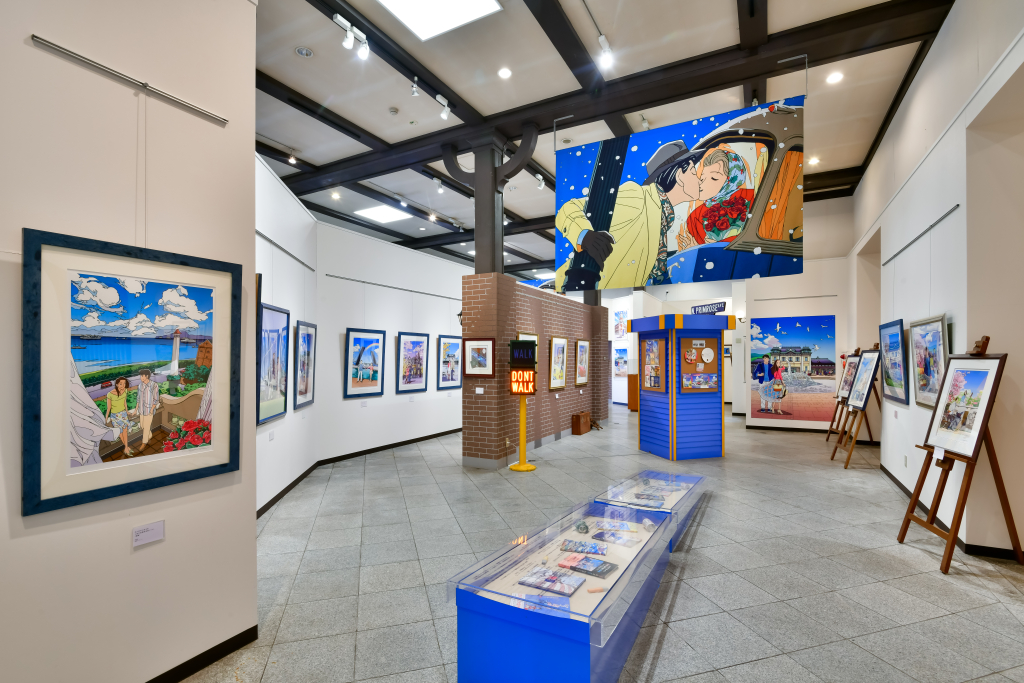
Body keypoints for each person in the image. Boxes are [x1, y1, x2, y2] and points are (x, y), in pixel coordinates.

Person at [555, 141, 707, 289]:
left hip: (602, 296)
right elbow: (567, 208)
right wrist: (585, 236)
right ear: (679, 175)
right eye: (693, 172)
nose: (699, 179)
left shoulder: (663, 217)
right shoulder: (638, 197)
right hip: (577, 288)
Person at [682, 147, 756, 249]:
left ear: (731, 180)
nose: (701, 183)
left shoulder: (751, 197)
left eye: (714, 178)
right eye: (702, 177)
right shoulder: (694, 217)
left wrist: (721, 245)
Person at [105, 376, 134, 458]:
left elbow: (124, 402)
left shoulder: (125, 391)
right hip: (115, 416)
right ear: (117, 384)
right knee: (121, 432)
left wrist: (127, 411)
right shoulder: (110, 394)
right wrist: (106, 418)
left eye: (124, 383)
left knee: (125, 431)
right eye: (121, 384)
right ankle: (126, 448)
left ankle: (126, 448)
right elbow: (108, 408)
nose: (123, 385)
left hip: (123, 414)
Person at [136, 368, 161, 447]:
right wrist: (136, 409)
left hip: (149, 410)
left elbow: (156, 399)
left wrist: (152, 409)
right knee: (142, 426)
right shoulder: (140, 385)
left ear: (146, 376)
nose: (141, 377)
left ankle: (144, 442)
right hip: (141, 409)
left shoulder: (154, 385)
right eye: (140, 376)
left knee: (146, 427)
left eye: (142, 376)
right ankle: (149, 435)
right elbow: (138, 398)